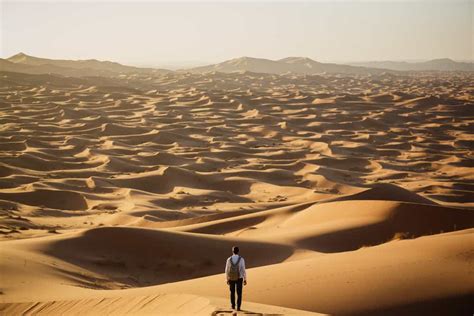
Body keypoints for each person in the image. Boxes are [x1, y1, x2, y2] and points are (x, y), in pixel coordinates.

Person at [225, 246, 247, 311]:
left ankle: (233, 306)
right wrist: (245, 279)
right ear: (238, 251)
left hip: (231, 278)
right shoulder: (241, 259)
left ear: (232, 251)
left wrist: (227, 279)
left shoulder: (229, 259)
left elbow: (226, 270)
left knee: (232, 292)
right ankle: (238, 307)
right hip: (239, 278)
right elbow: (243, 269)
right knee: (239, 293)